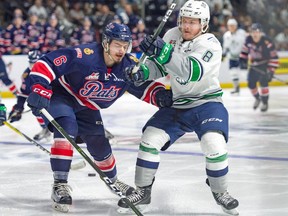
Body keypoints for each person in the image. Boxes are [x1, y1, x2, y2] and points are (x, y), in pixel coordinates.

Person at [26, 22, 172, 213]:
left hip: (87, 105)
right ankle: (59, 185)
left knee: (100, 144)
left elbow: (142, 87)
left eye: (125, 45)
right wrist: (39, 86)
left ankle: (113, 181)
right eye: (117, 44)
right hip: (62, 96)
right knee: (68, 128)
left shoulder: (128, 66)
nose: (121, 50)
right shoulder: (84, 56)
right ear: (105, 43)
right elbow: (47, 63)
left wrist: (160, 95)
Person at [118, 1, 239, 215]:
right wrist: (143, 73)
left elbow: (191, 71)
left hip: (207, 103)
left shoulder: (211, 43)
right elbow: (160, 67)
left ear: (204, 24)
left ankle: (220, 191)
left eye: (193, 22)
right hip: (178, 103)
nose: (187, 26)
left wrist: (163, 52)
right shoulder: (171, 35)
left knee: (214, 143)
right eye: (184, 20)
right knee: (150, 138)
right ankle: (143, 192)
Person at [8, 50, 52, 142]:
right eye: (31, 63)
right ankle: (45, 128)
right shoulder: (27, 75)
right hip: (44, 96)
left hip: (56, 95)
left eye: (35, 62)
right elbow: (24, 93)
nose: (32, 66)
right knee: (36, 106)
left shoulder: (50, 69)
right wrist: (18, 108)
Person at [239, 23, 279, 112]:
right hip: (253, 66)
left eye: (257, 32)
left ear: (260, 33)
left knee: (264, 84)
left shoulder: (267, 42)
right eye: (252, 32)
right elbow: (244, 52)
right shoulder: (248, 40)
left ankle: (265, 102)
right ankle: (257, 98)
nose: (254, 34)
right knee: (250, 84)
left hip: (265, 65)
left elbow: (274, 57)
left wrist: (271, 71)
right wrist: (243, 61)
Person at [222, 18, 246, 94]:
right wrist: (224, 54)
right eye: (229, 26)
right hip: (232, 57)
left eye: (232, 25)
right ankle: (236, 88)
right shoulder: (226, 35)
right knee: (233, 73)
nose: (231, 27)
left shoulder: (242, 33)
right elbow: (226, 47)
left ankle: (253, 87)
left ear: (236, 26)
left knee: (245, 74)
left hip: (242, 56)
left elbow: (247, 43)